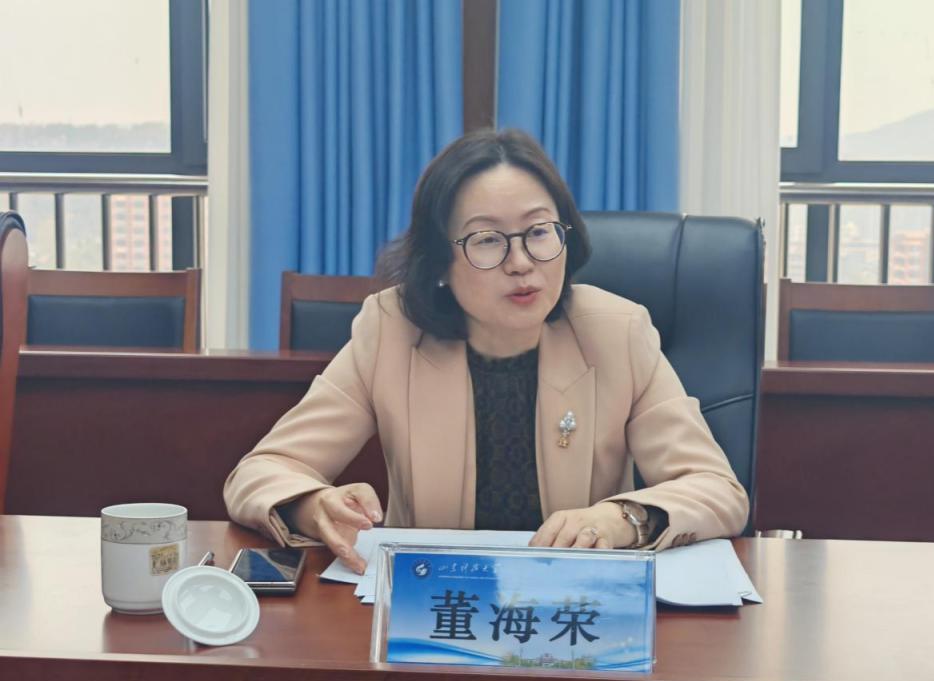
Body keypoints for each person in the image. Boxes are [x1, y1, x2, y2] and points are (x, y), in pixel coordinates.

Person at [224, 129, 748, 573]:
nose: (521, 262)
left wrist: (622, 519)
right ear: (439, 263)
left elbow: (717, 490)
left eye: (539, 232)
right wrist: (313, 505)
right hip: (435, 609)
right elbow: (262, 471)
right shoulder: (391, 331)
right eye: (488, 240)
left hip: (575, 610)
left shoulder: (618, 332)